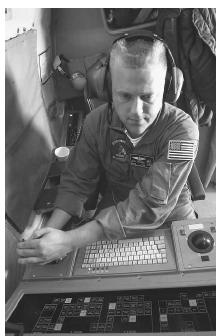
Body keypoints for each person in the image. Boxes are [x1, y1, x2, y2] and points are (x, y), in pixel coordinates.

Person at [17, 34, 199, 265]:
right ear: (107, 89)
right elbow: (77, 181)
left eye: (147, 96)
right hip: (114, 211)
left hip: (170, 218)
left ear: (167, 88)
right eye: (124, 96)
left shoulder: (182, 131)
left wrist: (70, 240)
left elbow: (152, 205)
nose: (135, 110)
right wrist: (49, 236)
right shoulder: (95, 122)